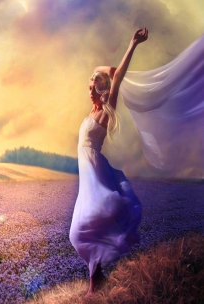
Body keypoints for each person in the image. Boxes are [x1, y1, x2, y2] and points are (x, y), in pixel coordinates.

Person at [69, 28, 148, 296]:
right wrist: (96, 73)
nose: (90, 91)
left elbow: (118, 75)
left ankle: (95, 283)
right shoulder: (91, 109)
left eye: (94, 87)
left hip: (95, 170)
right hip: (87, 175)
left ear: (102, 89)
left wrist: (132, 44)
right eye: (89, 87)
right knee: (79, 232)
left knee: (85, 227)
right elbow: (100, 71)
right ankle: (96, 280)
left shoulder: (105, 110)